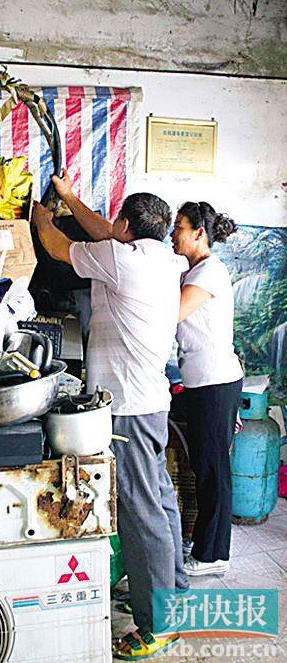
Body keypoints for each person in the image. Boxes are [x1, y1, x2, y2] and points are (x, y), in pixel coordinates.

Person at [33, 171, 188, 661]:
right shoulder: (163, 258)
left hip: (126, 409)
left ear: (125, 227)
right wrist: (71, 197)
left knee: (141, 515)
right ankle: (174, 594)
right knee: (160, 501)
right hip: (151, 404)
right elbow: (106, 231)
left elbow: (57, 247)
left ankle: (157, 625)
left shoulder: (122, 259)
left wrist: (41, 215)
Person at [171, 201, 243, 577]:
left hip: (216, 383)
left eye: (179, 227)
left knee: (213, 471)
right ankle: (205, 542)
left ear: (199, 233)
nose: (173, 234)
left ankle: (213, 554)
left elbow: (172, 313)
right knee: (205, 468)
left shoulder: (209, 271)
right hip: (204, 382)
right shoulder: (194, 269)